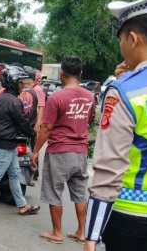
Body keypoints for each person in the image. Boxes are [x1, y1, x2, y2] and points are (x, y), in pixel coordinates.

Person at [83, 0, 147, 251]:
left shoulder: (125, 91)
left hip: (133, 221)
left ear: (133, 38)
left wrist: (91, 237)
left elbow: (109, 168)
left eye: (121, 40)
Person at [30, 57, 95, 245]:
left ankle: (57, 232)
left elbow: (47, 127)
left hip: (59, 151)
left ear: (61, 74)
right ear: (81, 74)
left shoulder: (57, 97)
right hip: (81, 151)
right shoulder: (90, 97)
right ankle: (82, 232)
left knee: (54, 191)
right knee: (80, 192)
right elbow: (87, 121)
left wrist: (35, 151)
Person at [0, 66, 40, 217]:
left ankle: (22, 205)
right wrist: (33, 133)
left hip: (5, 143)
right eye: (20, 83)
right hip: (6, 144)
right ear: (12, 82)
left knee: (15, 175)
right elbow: (22, 123)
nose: (22, 86)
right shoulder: (14, 101)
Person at [24, 66, 46, 181]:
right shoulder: (29, 89)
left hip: (34, 124)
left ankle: (32, 175)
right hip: (30, 122)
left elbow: (41, 108)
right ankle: (33, 174)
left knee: (32, 149)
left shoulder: (37, 90)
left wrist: (38, 125)